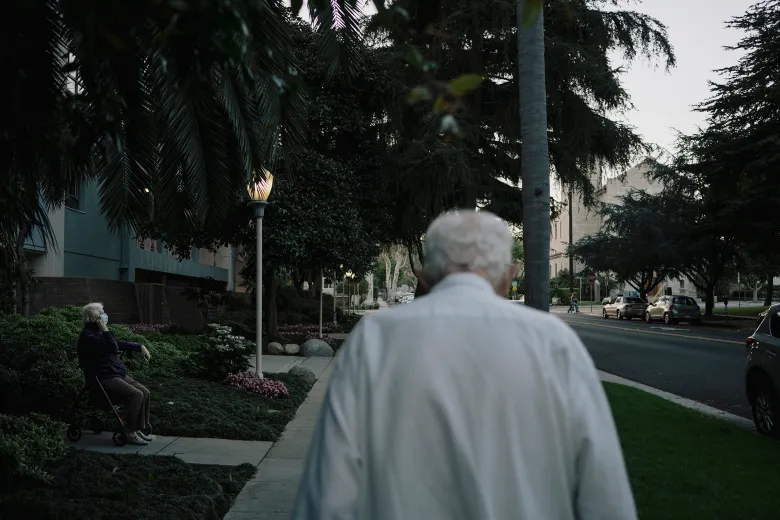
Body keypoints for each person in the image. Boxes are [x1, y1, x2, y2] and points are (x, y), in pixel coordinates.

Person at [293, 210, 637, 520]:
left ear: (423, 277)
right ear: (509, 276)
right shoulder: (555, 342)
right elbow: (605, 493)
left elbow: (329, 493)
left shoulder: (375, 339)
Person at [77, 302, 153, 446]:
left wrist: (140, 347)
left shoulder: (97, 332)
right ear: (93, 319)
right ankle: (130, 432)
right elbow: (112, 347)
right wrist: (105, 329)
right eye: (101, 313)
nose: (105, 316)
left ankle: (137, 428)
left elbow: (117, 343)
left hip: (114, 373)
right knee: (136, 394)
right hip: (102, 377)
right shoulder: (88, 337)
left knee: (145, 392)